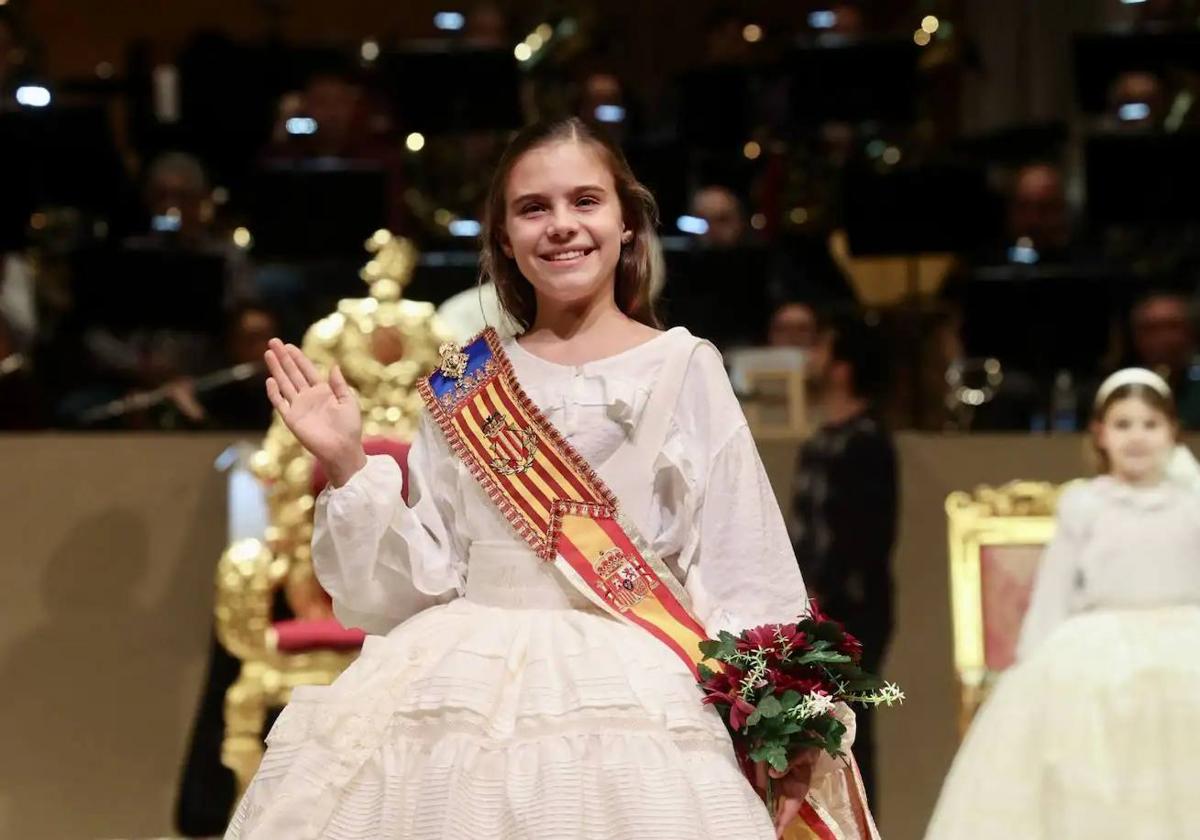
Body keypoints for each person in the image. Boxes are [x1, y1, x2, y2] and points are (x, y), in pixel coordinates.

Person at [226, 118, 879, 839]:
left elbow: (741, 557)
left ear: (628, 222)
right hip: (459, 682)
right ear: (504, 235)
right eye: (534, 208)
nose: (561, 226)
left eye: (585, 201)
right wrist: (349, 460)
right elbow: (414, 586)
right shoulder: (465, 379)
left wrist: (785, 721)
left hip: (636, 687)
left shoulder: (683, 365)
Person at [926, 368, 1200, 839]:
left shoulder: (1192, 502)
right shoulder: (1085, 503)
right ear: (1100, 433)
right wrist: (1028, 671)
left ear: (1172, 431)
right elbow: (1054, 592)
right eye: (1123, 424)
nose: (1137, 437)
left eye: (1150, 425)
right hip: (1102, 644)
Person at [791, 307, 896, 803]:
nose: (809, 358)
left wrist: (825, 592)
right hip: (811, 609)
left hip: (849, 613)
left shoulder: (868, 442)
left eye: (820, 347)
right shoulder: (821, 441)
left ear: (842, 366)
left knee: (852, 728)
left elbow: (866, 537)